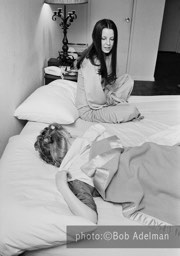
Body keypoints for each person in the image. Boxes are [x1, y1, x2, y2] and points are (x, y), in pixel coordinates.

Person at [76, 19, 142, 123]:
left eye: (112, 39)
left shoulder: (106, 54)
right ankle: (116, 103)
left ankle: (115, 100)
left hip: (102, 93)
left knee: (127, 79)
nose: (108, 43)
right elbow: (95, 102)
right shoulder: (90, 63)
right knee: (132, 110)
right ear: (96, 38)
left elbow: (107, 81)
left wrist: (110, 94)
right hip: (91, 110)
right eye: (103, 38)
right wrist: (112, 101)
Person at [34, 123, 100, 224]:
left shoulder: (85, 145)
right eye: (71, 136)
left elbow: (96, 129)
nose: (76, 137)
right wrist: (62, 186)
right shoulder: (77, 175)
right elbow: (90, 218)